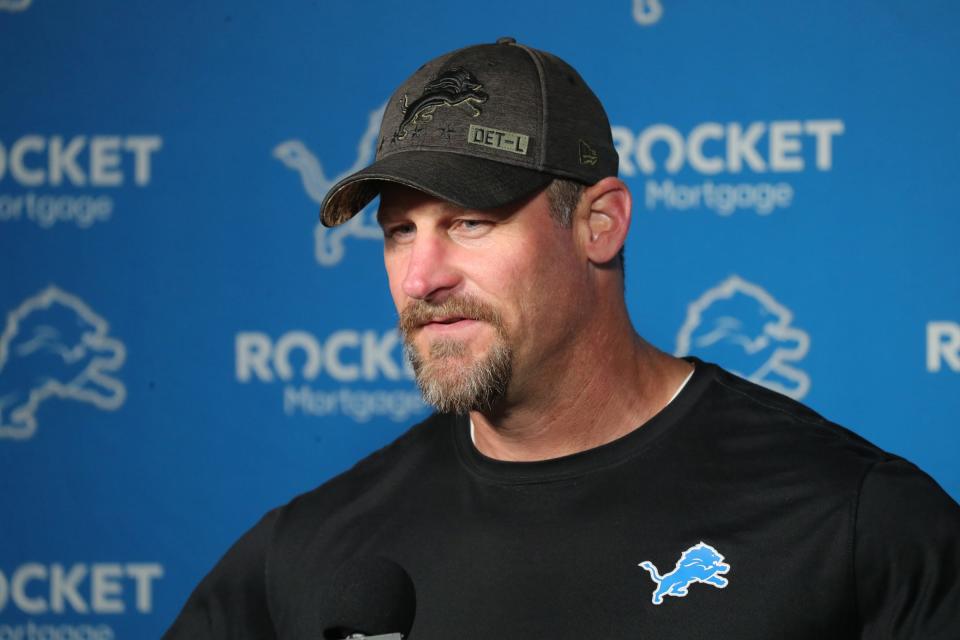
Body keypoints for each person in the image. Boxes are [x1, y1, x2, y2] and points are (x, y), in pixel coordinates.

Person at [164, 38, 960, 639]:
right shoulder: (310, 553)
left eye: (469, 223)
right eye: (401, 232)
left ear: (600, 223)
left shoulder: (855, 522)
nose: (420, 278)